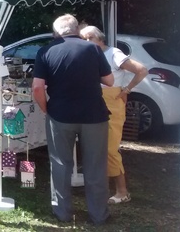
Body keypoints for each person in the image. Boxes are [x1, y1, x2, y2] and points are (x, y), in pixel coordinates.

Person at [32, 14, 113, 225]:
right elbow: (110, 80)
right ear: (77, 29)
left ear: (56, 32)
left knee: (60, 164)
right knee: (95, 166)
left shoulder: (46, 51)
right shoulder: (93, 49)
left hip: (60, 114)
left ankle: (63, 213)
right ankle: (99, 215)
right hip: (94, 115)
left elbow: (38, 87)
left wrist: (46, 108)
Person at [80, 25, 148, 204]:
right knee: (96, 147)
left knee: (110, 148)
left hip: (112, 103)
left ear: (100, 39)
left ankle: (122, 191)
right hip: (95, 101)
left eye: (89, 38)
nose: (86, 42)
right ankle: (103, 188)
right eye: (83, 38)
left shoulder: (113, 53)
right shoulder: (90, 54)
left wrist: (127, 89)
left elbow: (141, 70)